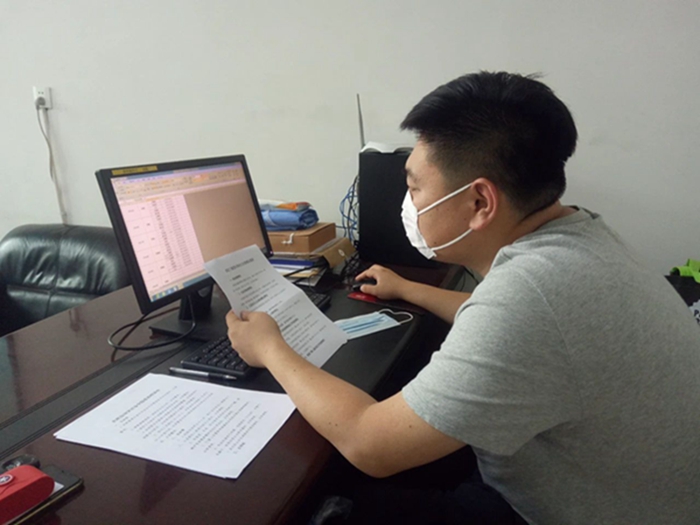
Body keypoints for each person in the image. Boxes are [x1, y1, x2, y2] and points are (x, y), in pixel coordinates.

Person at [226, 72, 700, 524]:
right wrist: (407, 288)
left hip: (553, 511)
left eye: (414, 186)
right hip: (597, 483)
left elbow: (368, 444)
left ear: (479, 203)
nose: (408, 202)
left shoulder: (531, 297)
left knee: (334, 495)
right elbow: (513, 325)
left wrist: (270, 348)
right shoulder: (579, 238)